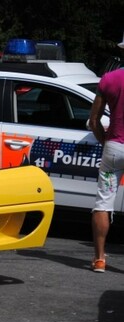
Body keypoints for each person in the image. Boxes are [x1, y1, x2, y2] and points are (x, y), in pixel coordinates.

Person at [87, 36, 124, 273]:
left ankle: (100, 259)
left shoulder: (110, 79)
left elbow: (94, 120)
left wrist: (104, 140)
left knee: (103, 202)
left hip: (115, 148)